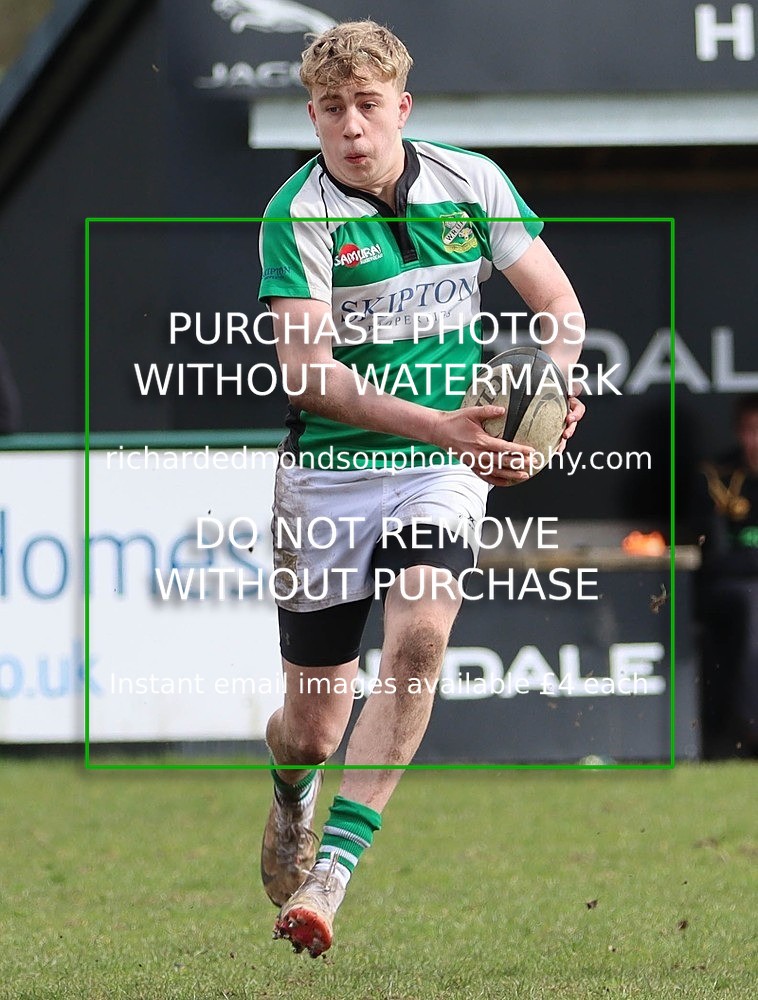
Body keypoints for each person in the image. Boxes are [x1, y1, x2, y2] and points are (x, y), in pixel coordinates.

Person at [257, 19, 585, 957]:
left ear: (402, 106)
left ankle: (332, 877)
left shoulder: (471, 182)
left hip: (443, 466)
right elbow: (310, 376)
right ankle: (290, 792)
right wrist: (442, 423)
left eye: (367, 106)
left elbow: (558, 309)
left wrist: (554, 387)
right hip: (328, 473)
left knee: (422, 636)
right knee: (314, 725)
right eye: (331, 111)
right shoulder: (296, 214)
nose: (352, 128)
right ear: (313, 118)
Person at [695, 394, 758, 756]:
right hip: (726, 593)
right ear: (738, 432)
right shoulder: (714, 476)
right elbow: (715, 559)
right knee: (752, 599)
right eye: (750, 431)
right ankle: (750, 731)